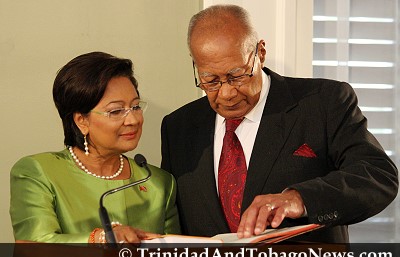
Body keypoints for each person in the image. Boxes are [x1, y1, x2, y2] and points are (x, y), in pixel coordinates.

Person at [160, 4, 398, 243]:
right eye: (210, 80)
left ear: (260, 53)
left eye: (237, 75)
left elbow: (377, 176)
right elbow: (169, 222)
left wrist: (300, 198)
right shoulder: (178, 128)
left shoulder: (322, 102)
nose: (226, 93)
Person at [10, 52, 180, 244]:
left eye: (135, 107)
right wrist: (100, 238)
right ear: (81, 120)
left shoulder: (158, 182)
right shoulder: (38, 172)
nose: (133, 120)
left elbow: (173, 253)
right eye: (116, 111)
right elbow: (33, 245)